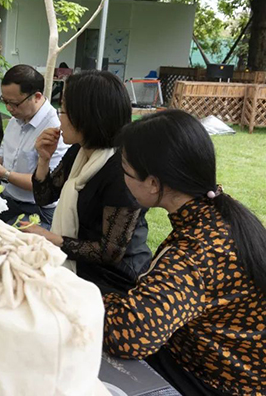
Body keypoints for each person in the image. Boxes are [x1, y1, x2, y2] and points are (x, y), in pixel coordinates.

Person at [103, 109, 266, 395]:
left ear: (153, 184)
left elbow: (129, 335)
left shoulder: (194, 252)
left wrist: (83, 299)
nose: (123, 178)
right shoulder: (217, 213)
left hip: (212, 381)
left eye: (126, 171)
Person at [23, 70, 151, 294]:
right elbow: (45, 197)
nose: (59, 117)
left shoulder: (122, 170)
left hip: (112, 280)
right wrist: (43, 159)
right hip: (78, 262)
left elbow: (110, 252)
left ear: (86, 116)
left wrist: (53, 239)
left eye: (63, 110)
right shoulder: (80, 151)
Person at [0, 65, 68, 228]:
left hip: (37, 209)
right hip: (8, 199)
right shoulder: (18, 117)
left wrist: (5, 174)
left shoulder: (53, 129)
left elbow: (47, 186)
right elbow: (4, 152)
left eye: (14, 103)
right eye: (5, 101)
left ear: (36, 96)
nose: (8, 108)